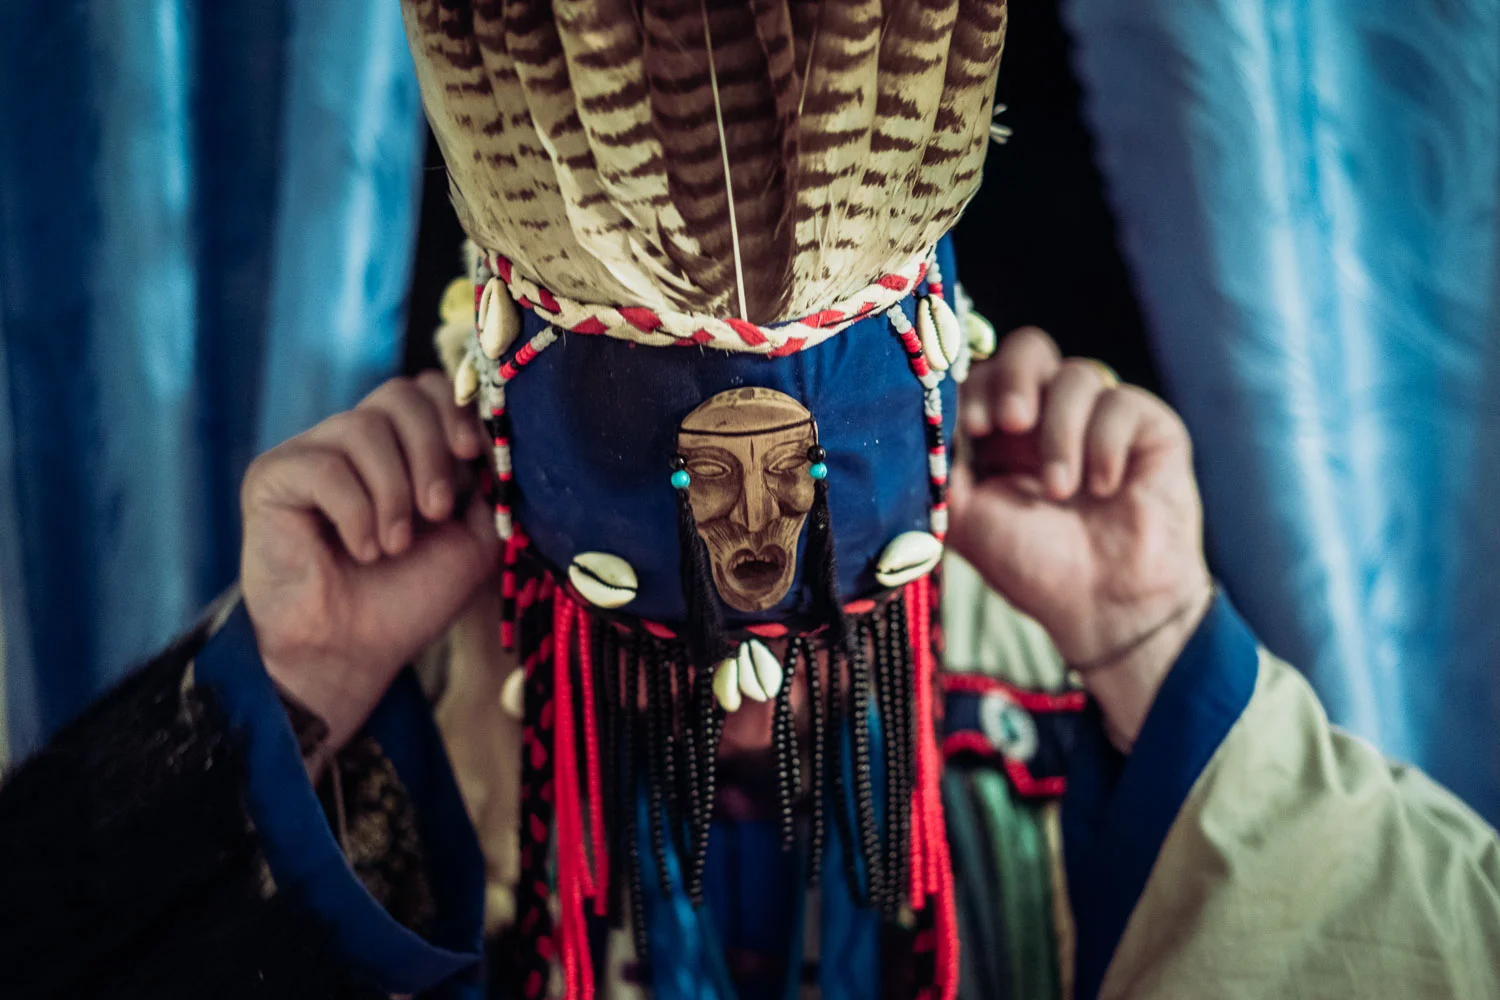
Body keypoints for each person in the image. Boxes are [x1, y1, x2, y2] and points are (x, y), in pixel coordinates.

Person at [5, 1, 1500, 997]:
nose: (746, 604)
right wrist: (288, 700)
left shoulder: (1068, 703)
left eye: (804, 506)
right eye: (671, 508)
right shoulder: (394, 710)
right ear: (505, 440)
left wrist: (1157, 649)